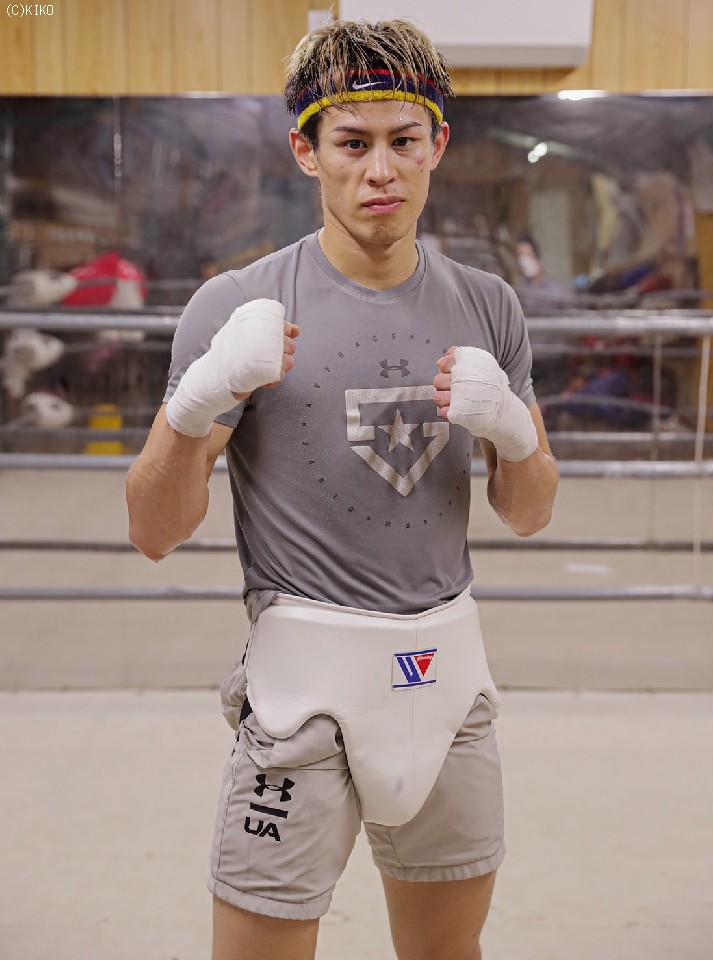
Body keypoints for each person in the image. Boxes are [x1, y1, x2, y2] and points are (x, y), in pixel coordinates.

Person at [126, 18, 559, 960]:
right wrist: (195, 405)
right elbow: (155, 531)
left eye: (405, 141)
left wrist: (513, 429)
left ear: (438, 145)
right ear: (306, 152)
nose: (381, 171)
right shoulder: (239, 305)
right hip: (300, 698)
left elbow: (529, 511)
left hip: (448, 687)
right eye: (353, 144)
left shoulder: (487, 304)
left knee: (447, 953)